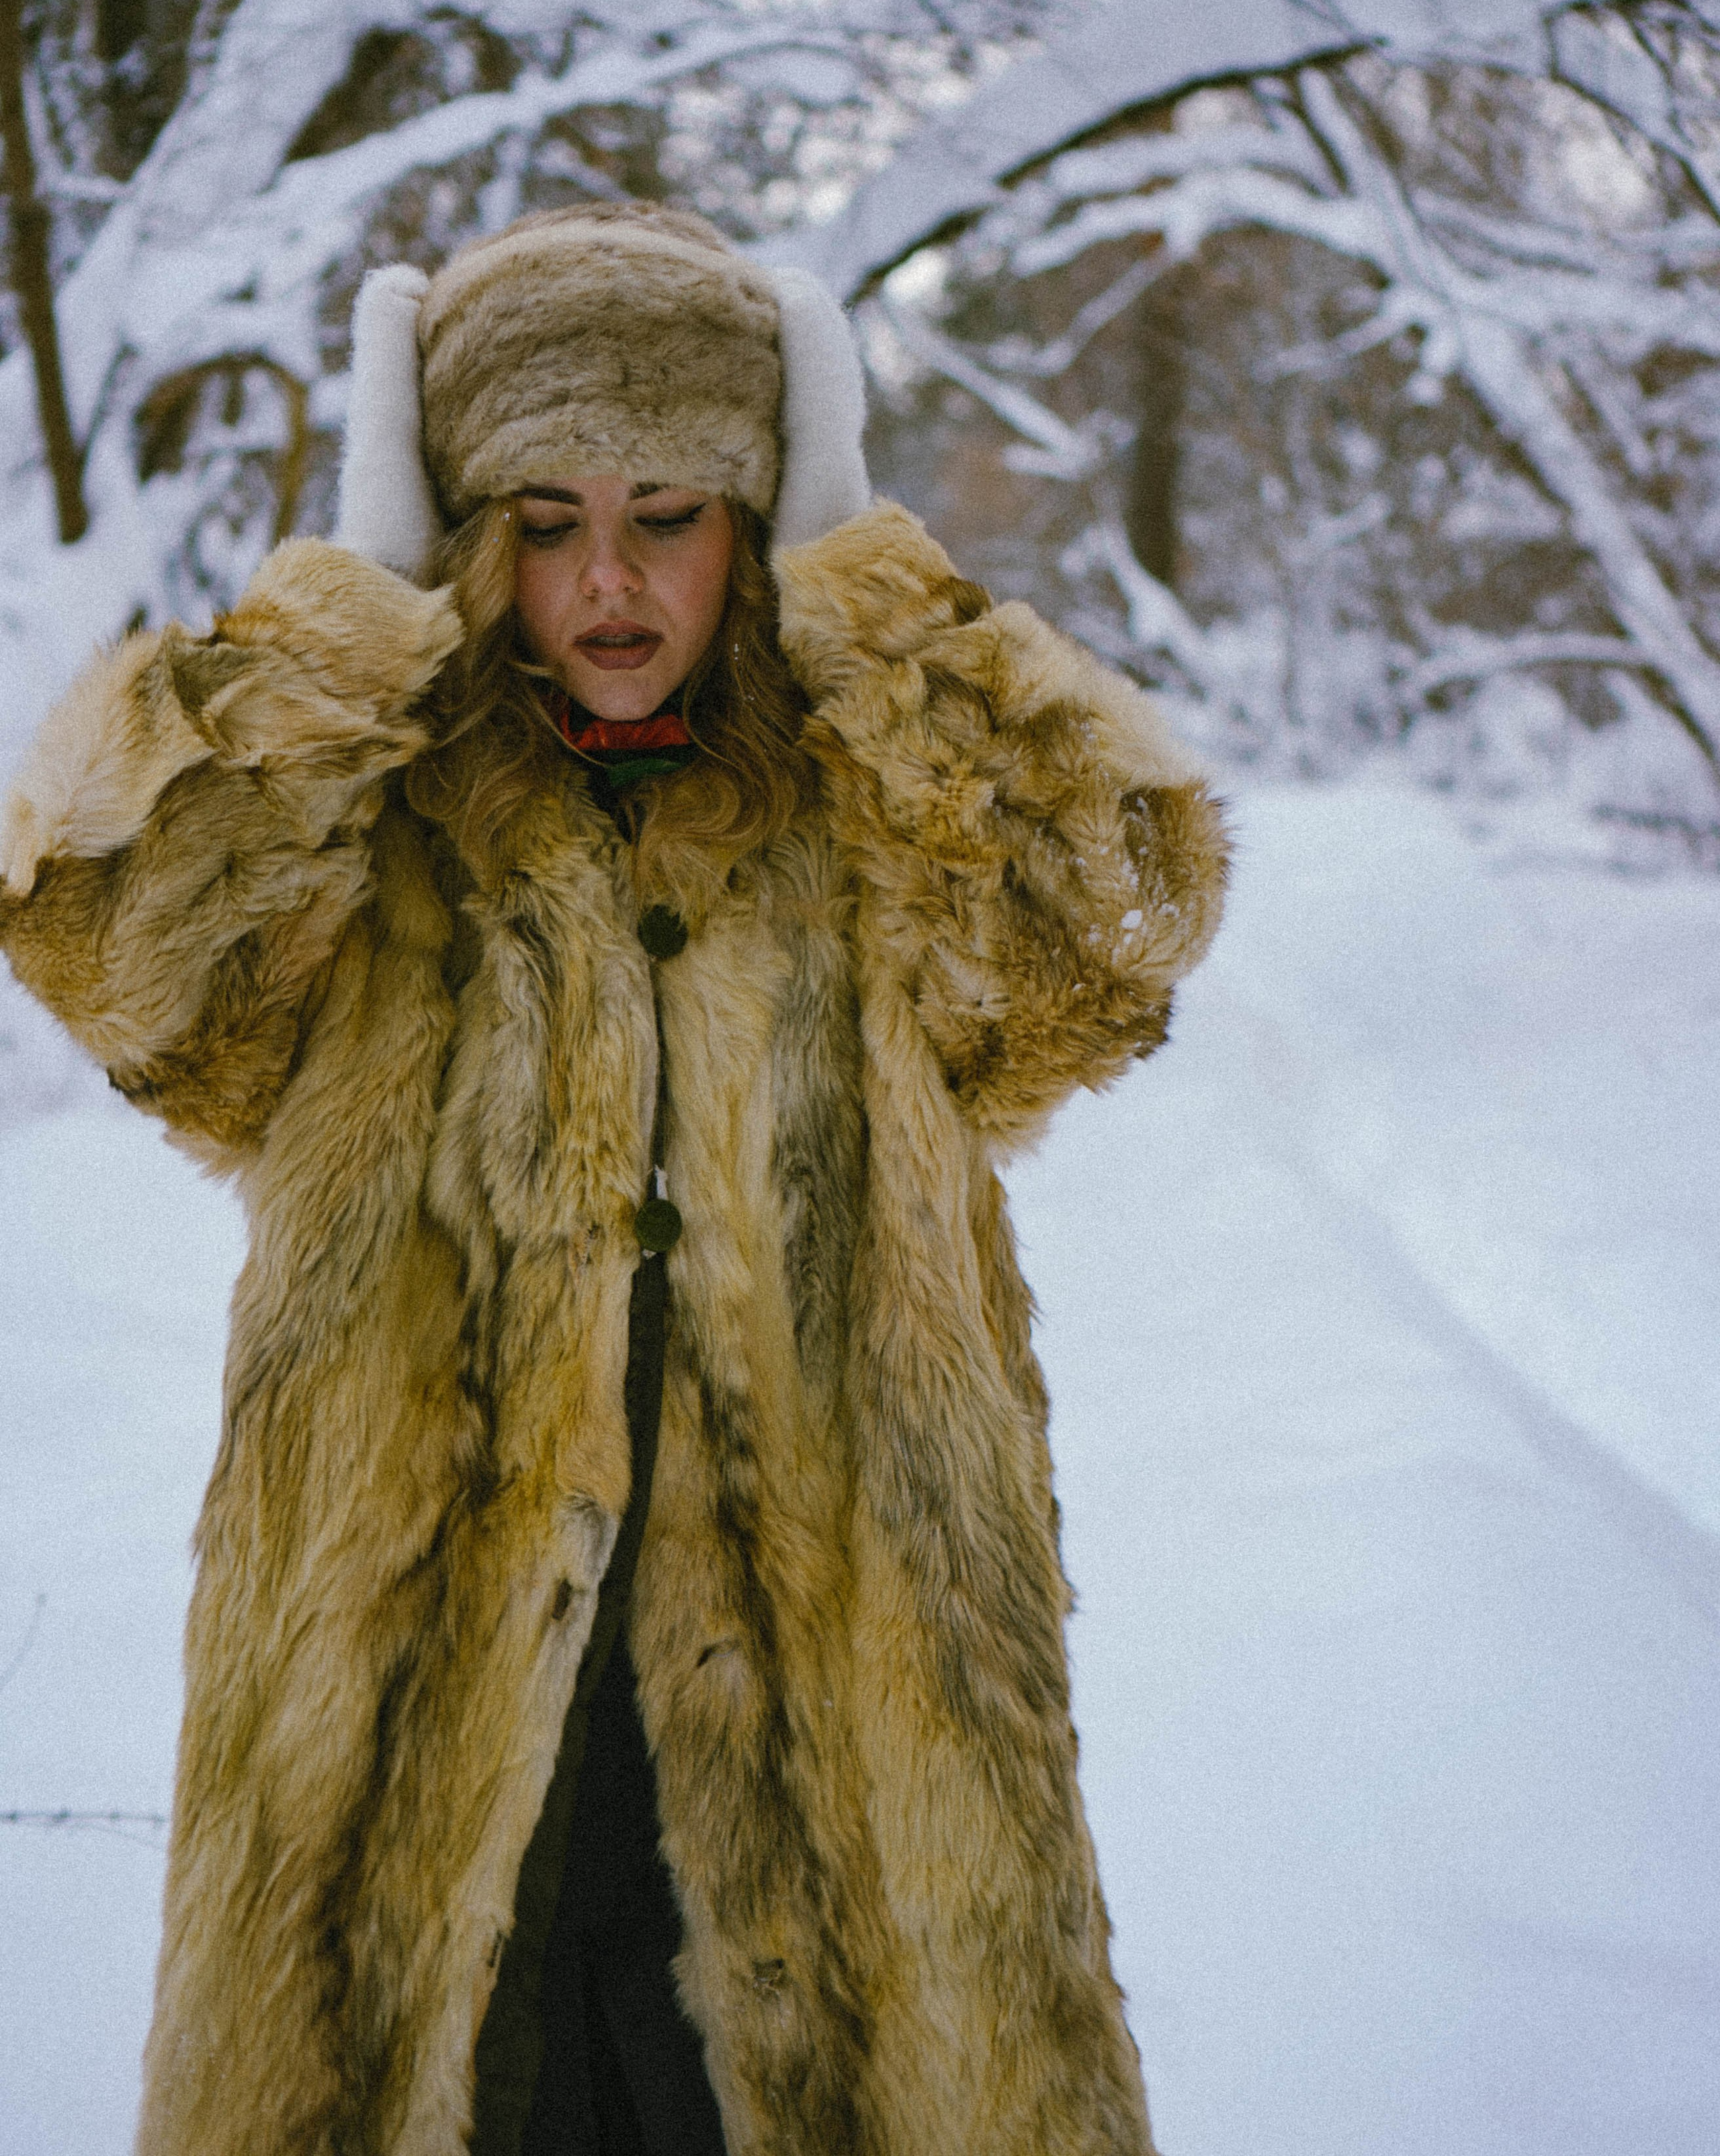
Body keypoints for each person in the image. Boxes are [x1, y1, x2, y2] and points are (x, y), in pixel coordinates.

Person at [0, 203, 1228, 2156]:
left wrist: (869, 582)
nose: (609, 584)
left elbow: (1112, 939)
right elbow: (114, 953)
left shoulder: (868, 808)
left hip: (845, 1739)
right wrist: (351, 603)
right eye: (542, 521)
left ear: (750, 528)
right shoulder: (368, 821)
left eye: (672, 511)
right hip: (420, 1761)